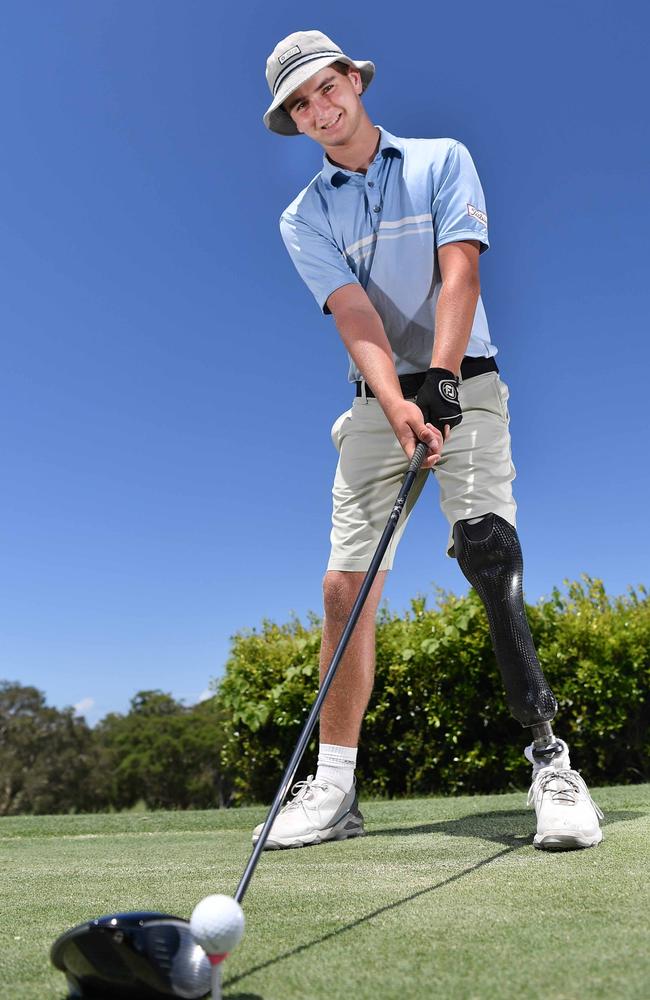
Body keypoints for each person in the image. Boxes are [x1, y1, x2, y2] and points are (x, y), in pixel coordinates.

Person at [254, 29, 603, 852]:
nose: (318, 108)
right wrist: (397, 399)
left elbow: (461, 271)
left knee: (488, 550)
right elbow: (355, 314)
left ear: (352, 78)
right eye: (299, 104)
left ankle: (552, 766)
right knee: (346, 590)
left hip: (468, 382)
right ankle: (334, 788)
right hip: (378, 402)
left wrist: (442, 383)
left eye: (323, 87)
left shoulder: (443, 158)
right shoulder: (303, 216)